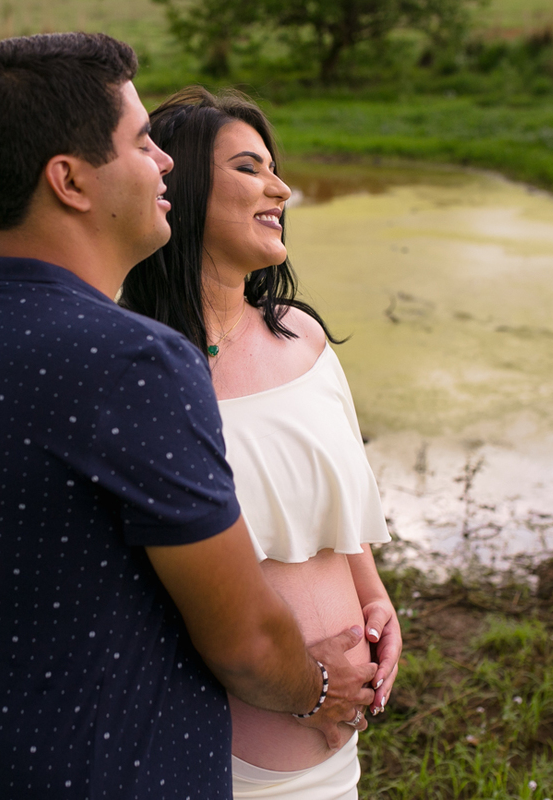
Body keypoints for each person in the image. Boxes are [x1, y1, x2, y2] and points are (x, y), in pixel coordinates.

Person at [0, 34, 379, 800]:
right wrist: (322, 688)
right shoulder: (133, 361)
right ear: (69, 181)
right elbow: (241, 640)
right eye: (142, 142)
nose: (164, 159)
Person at [121, 86, 402, 799]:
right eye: (250, 168)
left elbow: (337, 517)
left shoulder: (301, 336)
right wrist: (309, 691)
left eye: (275, 167)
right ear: (175, 188)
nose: (281, 187)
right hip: (222, 767)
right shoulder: (146, 370)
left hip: (338, 757)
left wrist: (374, 602)